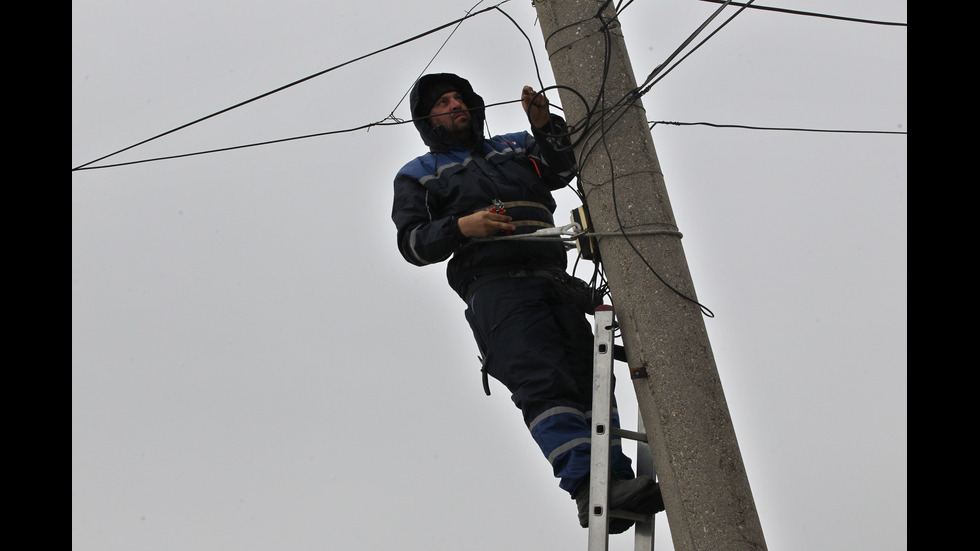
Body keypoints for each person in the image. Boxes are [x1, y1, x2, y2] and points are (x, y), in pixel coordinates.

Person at [391, 73, 662, 532]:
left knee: (588, 379)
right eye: (443, 102)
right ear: (427, 118)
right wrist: (462, 227)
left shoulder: (515, 147)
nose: (455, 105)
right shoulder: (419, 173)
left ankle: (615, 481)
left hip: (553, 280)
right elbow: (412, 243)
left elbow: (561, 169)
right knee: (544, 383)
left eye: (460, 98)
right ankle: (585, 488)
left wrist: (545, 128)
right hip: (496, 289)